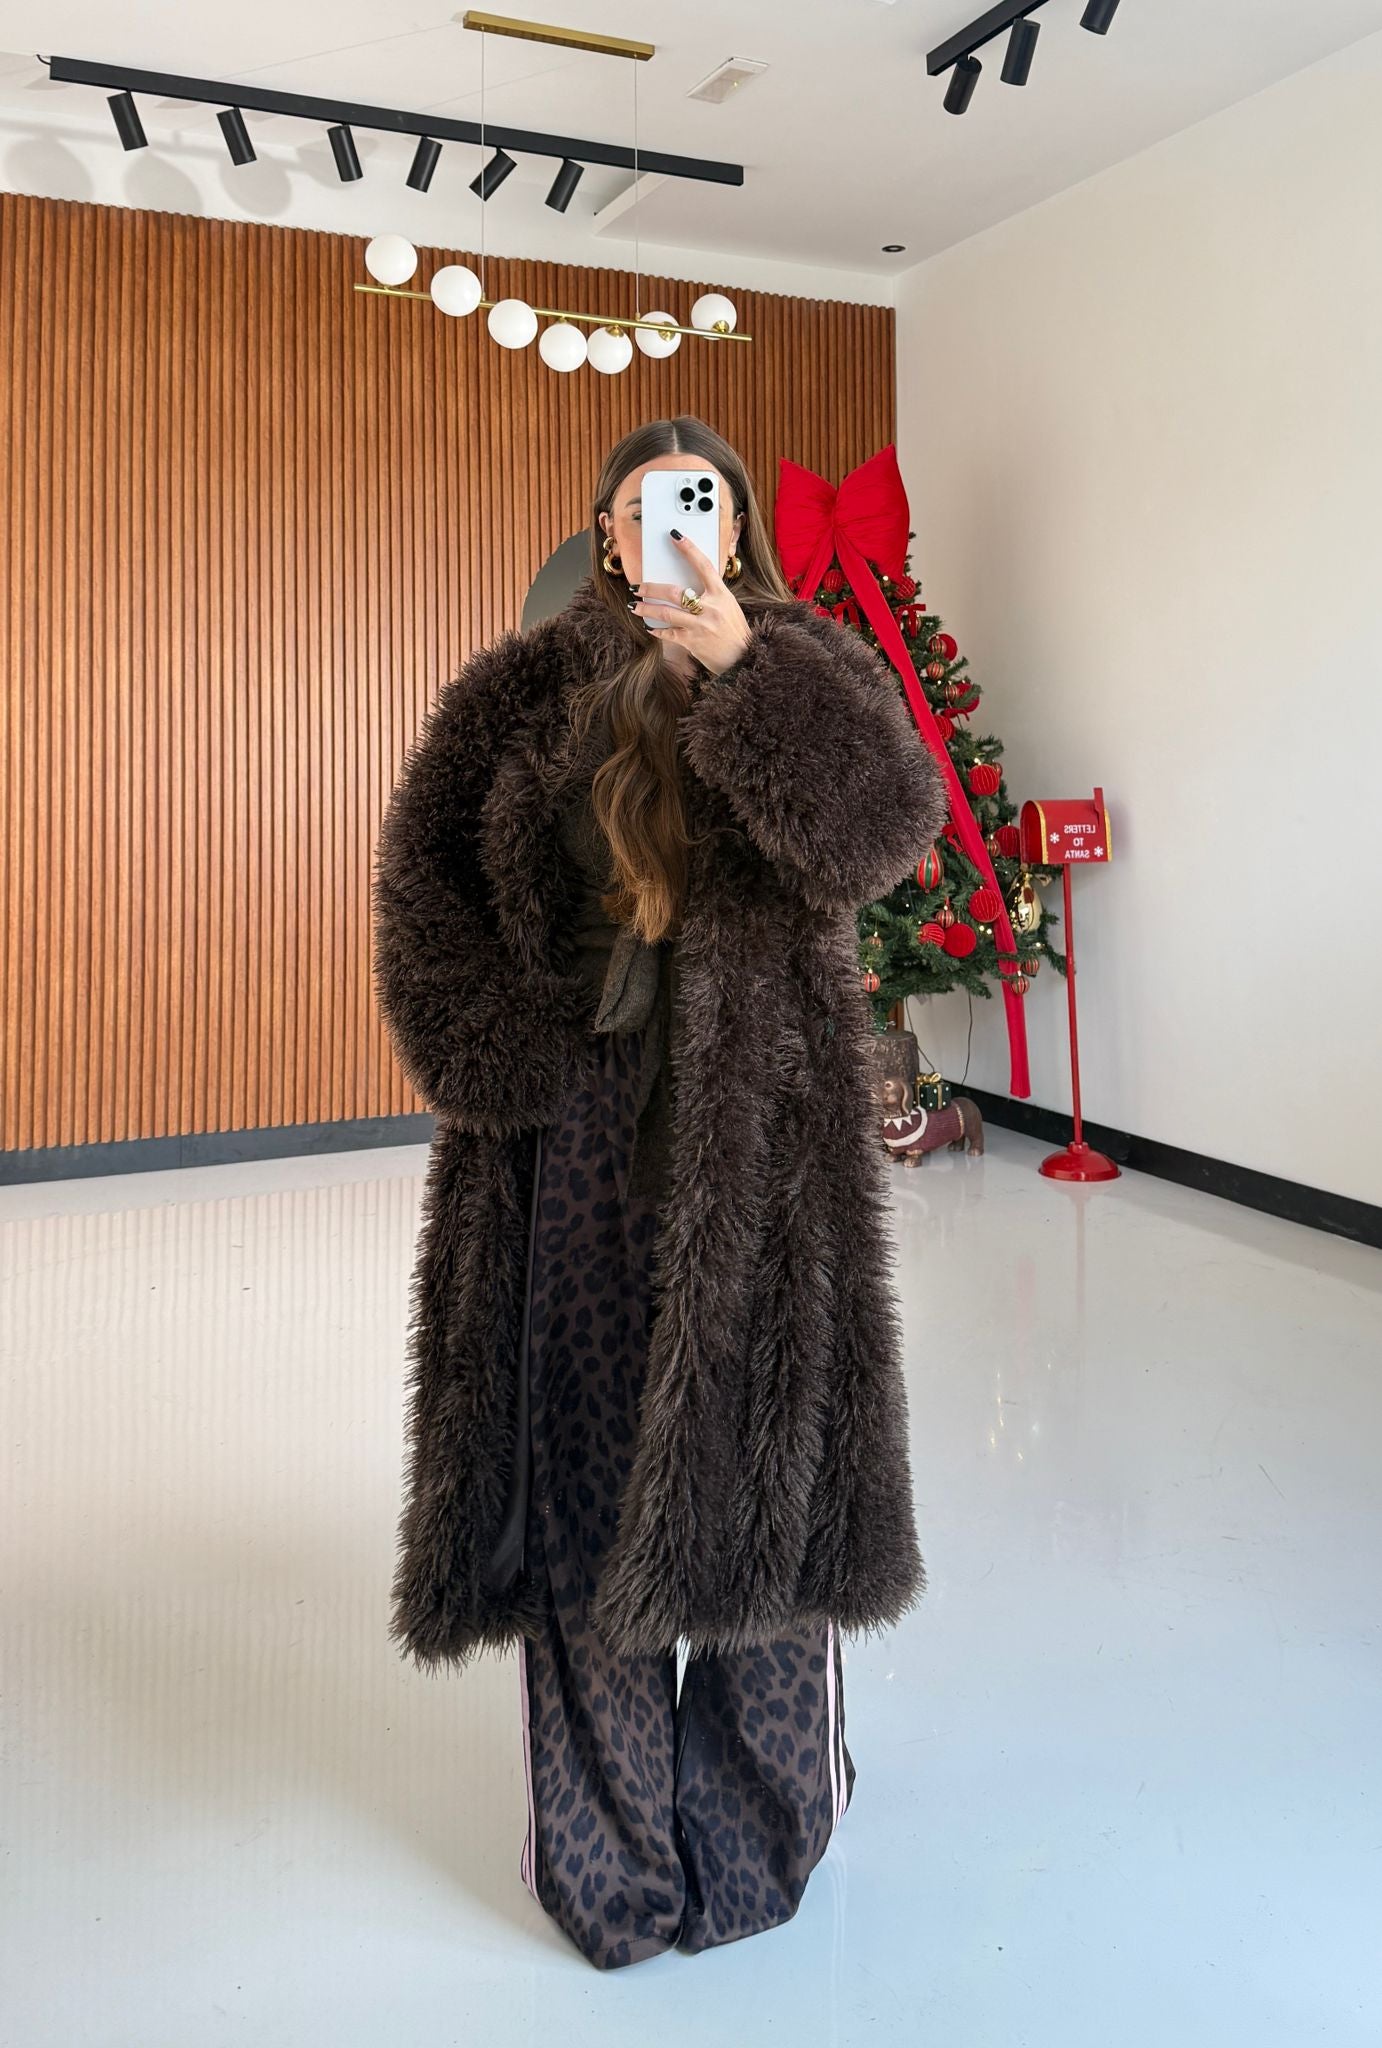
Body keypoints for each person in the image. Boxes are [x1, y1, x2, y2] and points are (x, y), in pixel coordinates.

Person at [371, 416, 950, 1969]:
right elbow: (423, 882)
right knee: (579, 1475)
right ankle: (608, 1858)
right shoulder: (520, 692)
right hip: (568, 1134)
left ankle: (763, 1829)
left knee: (763, 1474)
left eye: (697, 502)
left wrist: (745, 674)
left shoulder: (807, 664)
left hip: (757, 1136)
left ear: (736, 525)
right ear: (604, 537)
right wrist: (495, 1060)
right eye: (640, 509)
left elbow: (883, 837)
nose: (669, 528)